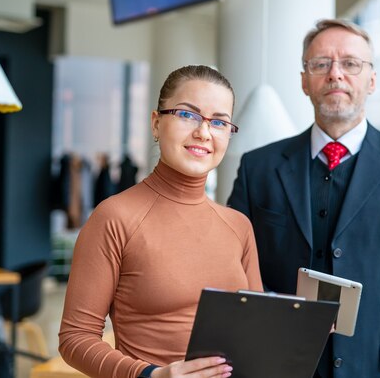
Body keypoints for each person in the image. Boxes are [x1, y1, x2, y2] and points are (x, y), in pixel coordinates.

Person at [227, 19, 380, 378]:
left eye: (351, 64)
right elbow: (231, 275)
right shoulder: (257, 168)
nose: (335, 74)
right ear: (304, 81)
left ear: (371, 80)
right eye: (321, 64)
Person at [59, 65, 263, 378]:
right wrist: (151, 375)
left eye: (219, 122)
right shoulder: (114, 217)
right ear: (156, 124)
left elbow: (258, 331)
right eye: (187, 115)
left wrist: (303, 329)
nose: (203, 133)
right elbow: (75, 339)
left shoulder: (239, 226)